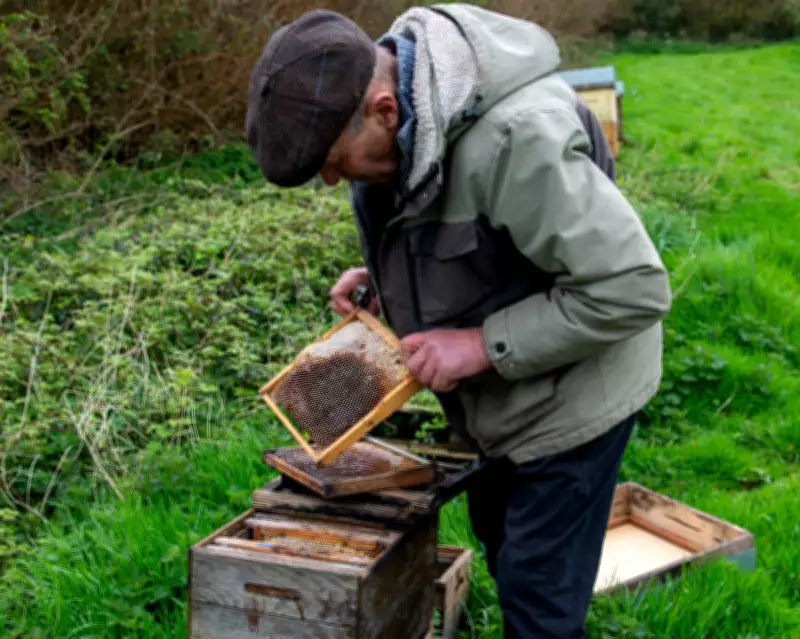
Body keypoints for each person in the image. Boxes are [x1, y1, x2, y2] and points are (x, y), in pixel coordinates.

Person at [245, 5, 672, 637]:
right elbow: (467, 239)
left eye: (333, 159)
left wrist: (478, 345)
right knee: (503, 544)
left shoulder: (519, 137)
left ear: (385, 109)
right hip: (497, 408)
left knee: (539, 601)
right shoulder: (400, 129)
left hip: (575, 404)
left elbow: (632, 286)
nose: (331, 178)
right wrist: (384, 289)